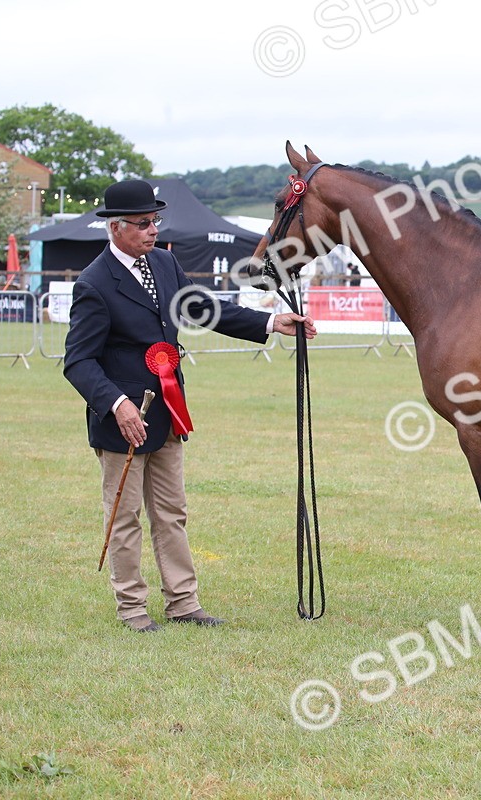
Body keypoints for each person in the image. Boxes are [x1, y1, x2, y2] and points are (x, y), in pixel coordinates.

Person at [64, 179, 317, 633]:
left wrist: (270, 321)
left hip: (167, 412)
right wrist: (118, 405)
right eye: (142, 224)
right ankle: (132, 609)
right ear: (115, 228)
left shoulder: (164, 263)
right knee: (125, 519)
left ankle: (183, 602)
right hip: (125, 423)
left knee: (172, 512)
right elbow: (78, 362)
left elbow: (204, 308)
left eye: (155, 221)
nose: (152, 230)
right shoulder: (93, 284)